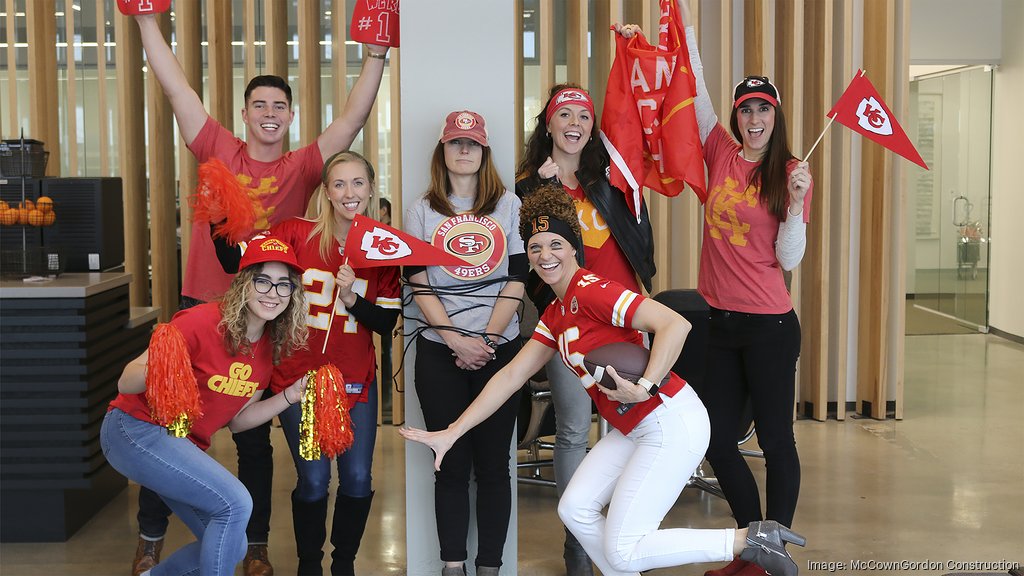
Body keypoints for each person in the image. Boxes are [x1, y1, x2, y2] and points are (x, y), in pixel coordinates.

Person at [400, 185, 804, 576]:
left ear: (574, 246)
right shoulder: (556, 313)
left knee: (625, 549)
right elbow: (510, 376)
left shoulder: (592, 290)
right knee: (574, 508)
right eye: (536, 246)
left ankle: (750, 539)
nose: (545, 255)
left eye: (556, 244)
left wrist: (644, 384)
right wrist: (453, 431)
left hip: (669, 420)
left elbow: (674, 324)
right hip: (635, 428)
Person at [132, 12, 388, 576]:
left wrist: (376, 55)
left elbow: (352, 118)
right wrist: (147, 20)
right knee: (171, 421)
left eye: (279, 106)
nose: (269, 114)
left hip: (265, 317)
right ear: (245, 114)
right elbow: (174, 83)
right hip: (204, 306)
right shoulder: (216, 148)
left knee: (251, 438)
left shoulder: (304, 167)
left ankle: (254, 546)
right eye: (260, 106)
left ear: (291, 116)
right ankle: (150, 537)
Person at [216, 151, 400, 576]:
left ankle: (344, 565)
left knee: (357, 480)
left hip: (356, 378)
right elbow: (236, 261)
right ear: (325, 191)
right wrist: (217, 211)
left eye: (357, 183)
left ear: (371, 188)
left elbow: (387, 321)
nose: (348, 193)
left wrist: (353, 298)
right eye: (338, 184)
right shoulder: (295, 233)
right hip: (300, 379)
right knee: (315, 481)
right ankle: (309, 566)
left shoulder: (383, 246)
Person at [514, 25, 655, 576]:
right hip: (572, 323)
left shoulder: (607, 179)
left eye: (583, 117)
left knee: (629, 426)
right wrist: (538, 192)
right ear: (547, 124)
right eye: (564, 116)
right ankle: (578, 549)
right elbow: (529, 255)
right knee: (574, 430)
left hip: (623, 317)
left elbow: (641, 123)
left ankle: (623, 535)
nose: (574, 125)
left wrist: (636, 53)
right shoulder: (529, 183)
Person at [678, 2, 813, 575]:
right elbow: (697, 87)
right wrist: (680, 25)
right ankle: (752, 544)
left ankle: (772, 551)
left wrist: (799, 205)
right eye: (746, 109)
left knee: (778, 442)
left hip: (769, 327)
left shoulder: (791, 172)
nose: (754, 118)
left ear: (775, 115)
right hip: (720, 322)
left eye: (763, 109)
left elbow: (788, 259)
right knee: (717, 442)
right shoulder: (719, 152)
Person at [101, 236, 309, 576]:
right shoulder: (200, 322)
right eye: (263, 281)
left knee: (234, 543)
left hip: (178, 444)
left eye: (284, 285)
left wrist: (289, 396)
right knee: (237, 503)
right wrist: (169, 368)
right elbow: (126, 382)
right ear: (244, 283)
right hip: (132, 428)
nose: (273, 292)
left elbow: (239, 421)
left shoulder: (266, 349)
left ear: (292, 294)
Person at [403, 110, 527, 576]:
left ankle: (490, 568)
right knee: (449, 462)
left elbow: (517, 278)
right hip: (440, 352)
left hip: (499, 352)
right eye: (455, 142)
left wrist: (488, 340)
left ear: (483, 152)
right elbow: (419, 283)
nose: (463, 150)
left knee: (495, 466)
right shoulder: (422, 209)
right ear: (443, 150)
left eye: (472, 143)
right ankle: (452, 567)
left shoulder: (508, 205)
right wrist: (456, 339)